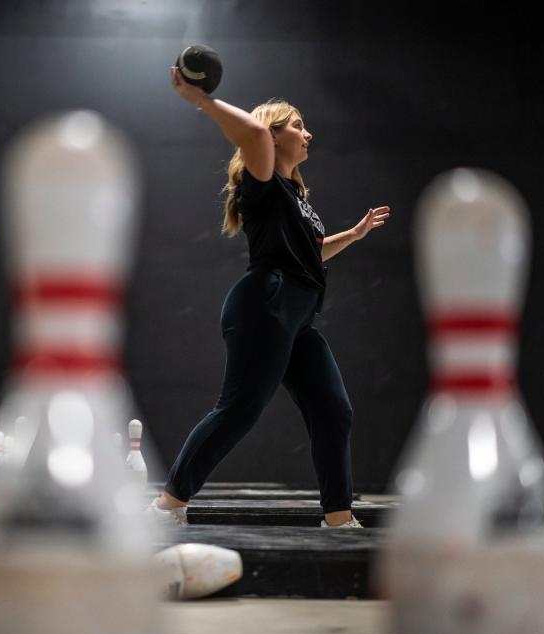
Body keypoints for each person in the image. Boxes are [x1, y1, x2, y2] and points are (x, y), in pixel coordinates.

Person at [146, 66, 390, 529]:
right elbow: (254, 132)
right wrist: (201, 99)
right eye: (297, 124)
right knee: (239, 410)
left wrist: (353, 236)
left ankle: (338, 519)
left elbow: (312, 253)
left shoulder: (297, 197)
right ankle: (167, 508)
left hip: (298, 315)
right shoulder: (263, 182)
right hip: (266, 303)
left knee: (333, 409)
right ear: (274, 134)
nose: (307, 132)